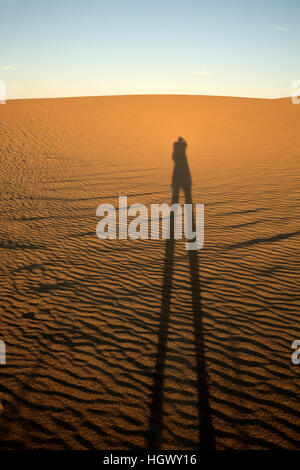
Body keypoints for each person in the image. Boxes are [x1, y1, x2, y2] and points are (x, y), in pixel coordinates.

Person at [171, 137, 192, 204]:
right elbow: (186, 143)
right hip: (184, 178)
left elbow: (176, 144)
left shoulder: (176, 148)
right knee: (187, 196)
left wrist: (180, 140)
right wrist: (182, 139)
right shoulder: (183, 151)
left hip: (178, 179)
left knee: (175, 195)